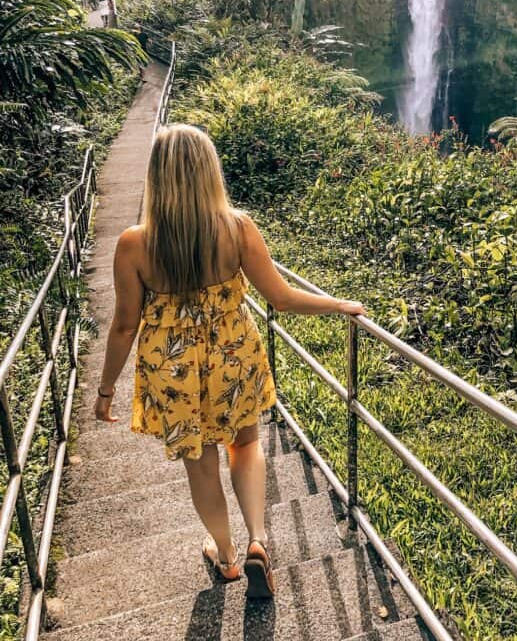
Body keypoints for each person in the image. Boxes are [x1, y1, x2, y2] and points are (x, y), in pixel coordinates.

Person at [93, 124, 366, 597]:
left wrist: (105, 390)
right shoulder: (236, 227)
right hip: (233, 353)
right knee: (245, 443)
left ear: (156, 177)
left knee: (200, 462)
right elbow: (279, 298)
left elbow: (123, 325)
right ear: (209, 172)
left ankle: (226, 556)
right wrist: (338, 304)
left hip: (171, 366)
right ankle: (259, 539)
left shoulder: (134, 244)